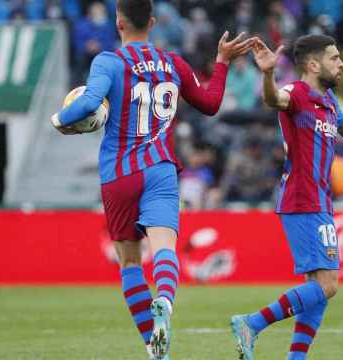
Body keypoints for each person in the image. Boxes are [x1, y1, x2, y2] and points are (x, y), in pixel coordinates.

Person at [51, 1, 253, 358]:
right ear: (154, 22)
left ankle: (153, 347)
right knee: (164, 248)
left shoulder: (109, 62)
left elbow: (88, 103)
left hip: (118, 174)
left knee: (130, 262)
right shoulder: (172, 63)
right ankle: (164, 300)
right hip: (159, 167)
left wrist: (60, 120)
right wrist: (221, 63)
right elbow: (210, 102)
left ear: (118, 22)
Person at [230, 34, 343, 360]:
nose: (341, 62)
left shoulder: (328, 101)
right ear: (314, 64)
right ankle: (252, 323)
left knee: (319, 289)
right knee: (328, 285)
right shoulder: (298, 93)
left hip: (320, 200)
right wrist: (268, 74)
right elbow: (274, 99)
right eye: (333, 58)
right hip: (302, 198)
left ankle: (296, 358)